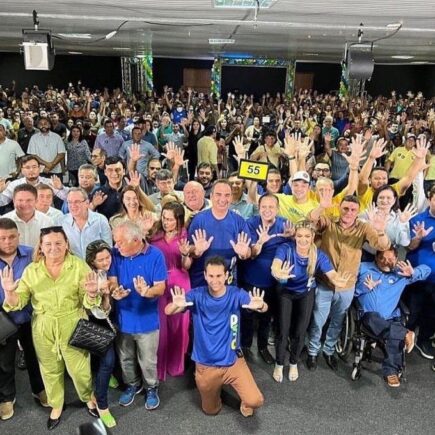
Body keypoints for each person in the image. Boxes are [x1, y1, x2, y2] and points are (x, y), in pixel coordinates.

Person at [2, 226, 98, 430]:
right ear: (41, 247)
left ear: (66, 245)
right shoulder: (32, 270)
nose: (53, 247)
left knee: (80, 369)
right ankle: (56, 405)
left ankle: (88, 396)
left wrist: (91, 294)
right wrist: (9, 293)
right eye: (48, 244)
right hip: (43, 326)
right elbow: (19, 302)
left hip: (73, 322)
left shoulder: (79, 266)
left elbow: (88, 302)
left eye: (58, 243)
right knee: (49, 369)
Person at [165, 256, 266, 417]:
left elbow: (262, 306)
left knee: (255, 401)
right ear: (205, 275)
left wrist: (260, 305)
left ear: (226, 276)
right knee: (211, 411)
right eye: (211, 276)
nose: (215, 280)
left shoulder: (236, 294)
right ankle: (214, 390)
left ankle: (239, 394)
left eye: (219, 276)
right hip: (206, 365)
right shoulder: (197, 295)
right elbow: (168, 311)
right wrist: (175, 304)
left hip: (232, 360)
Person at [306, 193, 390, 371]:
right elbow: (311, 219)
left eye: (353, 210)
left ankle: (329, 350)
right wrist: (322, 206)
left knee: (338, 321)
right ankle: (313, 351)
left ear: (358, 212)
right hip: (325, 282)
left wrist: (381, 230)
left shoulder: (364, 227)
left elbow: (382, 246)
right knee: (318, 320)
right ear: (339, 208)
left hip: (347, 285)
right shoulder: (329, 221)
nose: (349, 212)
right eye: (345, 208)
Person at [271, 220, 349, 382]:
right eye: (299, 236)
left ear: (313, 237)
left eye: (307, 236)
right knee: (283, 330)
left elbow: (332, 274)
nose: (303, 239)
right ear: (295, 236)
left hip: (305, 293)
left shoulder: (319, 255)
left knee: (300, 331)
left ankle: (293, 362)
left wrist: (338, 280)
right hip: (286, 292)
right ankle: (279, 363)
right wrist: (278, 272)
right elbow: (275, 266)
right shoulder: (285, 249)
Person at [108, 221, 167, 410]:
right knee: (125, 358)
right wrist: (114, 291)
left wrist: (147, 292)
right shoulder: (116, 254)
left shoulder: (156, 255)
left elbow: (160, 288)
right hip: (123, 320)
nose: (116, 246)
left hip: (147, 322)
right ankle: (132, 385)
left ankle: (151, 387)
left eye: (120, 242)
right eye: (116, 241)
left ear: (135, 240)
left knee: (148, 360)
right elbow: (112, 281)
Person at [355, 248, 430, 387]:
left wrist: (413, 272)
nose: (386, 262)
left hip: (390, 317)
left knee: (394, 330)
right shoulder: (363, 268)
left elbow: (427, 269)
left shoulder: (401, 274)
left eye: (390, 259)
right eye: (382, 258)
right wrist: (364, 288)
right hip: (369, 316)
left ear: (396, 259)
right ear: (376, 257)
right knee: (380, 323)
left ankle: (391, 371)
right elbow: (350, 290)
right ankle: (405, 333)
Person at [0, 218, 47, 421]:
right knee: (4, 362)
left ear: (19, 236)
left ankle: (39, 389)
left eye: (12, 237)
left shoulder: (31, 254)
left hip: (30, 315)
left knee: (35, 356)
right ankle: (6, 398)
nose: (8, 242)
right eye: (2, 238)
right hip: (3, 318)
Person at [238, 193, 291, 364]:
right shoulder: (250, 223)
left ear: (277, 209)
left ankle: (262, 348)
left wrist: (291, 236)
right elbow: (250, 253)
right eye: (264, 207)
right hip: (250, 277)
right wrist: (260, 242)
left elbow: (296, 242)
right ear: (259, 208)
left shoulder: (285, 224)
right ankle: (245, 346)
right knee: (247, 315)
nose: (267, 210)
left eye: (271, 207)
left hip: (272, 280)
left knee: (266, 317)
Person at [150, 202, 191, 381]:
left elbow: (187, 266)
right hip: (159, 281)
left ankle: (176, 365)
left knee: (179, 326)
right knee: (161, 326)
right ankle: (160, 367)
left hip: (179, 281)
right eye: (164, 218)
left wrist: (185, 254)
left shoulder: (184, 235)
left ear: (179, 220)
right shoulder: (154, 234)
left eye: (170, 219)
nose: (166, 222)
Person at [187, 179, 251, 288]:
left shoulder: (239, 221)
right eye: (218, 194)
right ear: (211, 196)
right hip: (201, 282)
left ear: (231, 197)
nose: (222, 199)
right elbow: (188, 250)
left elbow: (248, 250)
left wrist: (244, 253)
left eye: (227, 195)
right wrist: (196, 251)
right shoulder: (199, 220)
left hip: (229, 283)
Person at [84, 240, 117, 428]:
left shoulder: (108, 272)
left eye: (107, 257)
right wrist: (104, 295)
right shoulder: (90, 277)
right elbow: (99, 312)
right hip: (94, 323)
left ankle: (104, 377)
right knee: (108, 361)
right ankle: (102, 404)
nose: (106, 262)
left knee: (103, 362)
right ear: (92, 262)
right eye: (101, 260)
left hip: (109, 321)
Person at [405, 185, 435, 359]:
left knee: (432, 313)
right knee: (413, 311)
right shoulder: (418, 220)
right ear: (430, 199)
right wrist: (418, 237)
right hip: (418, 277)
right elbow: (409, 247)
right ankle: (405, 337)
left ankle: (423, 339)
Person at [60, 188, 112, 259]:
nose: (73, 205)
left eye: (77, 202)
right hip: (74, 264)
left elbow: (108, 247)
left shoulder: (100, 220)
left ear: (87, 203)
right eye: (69, 202)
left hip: (97, 264)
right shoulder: (62, 222)